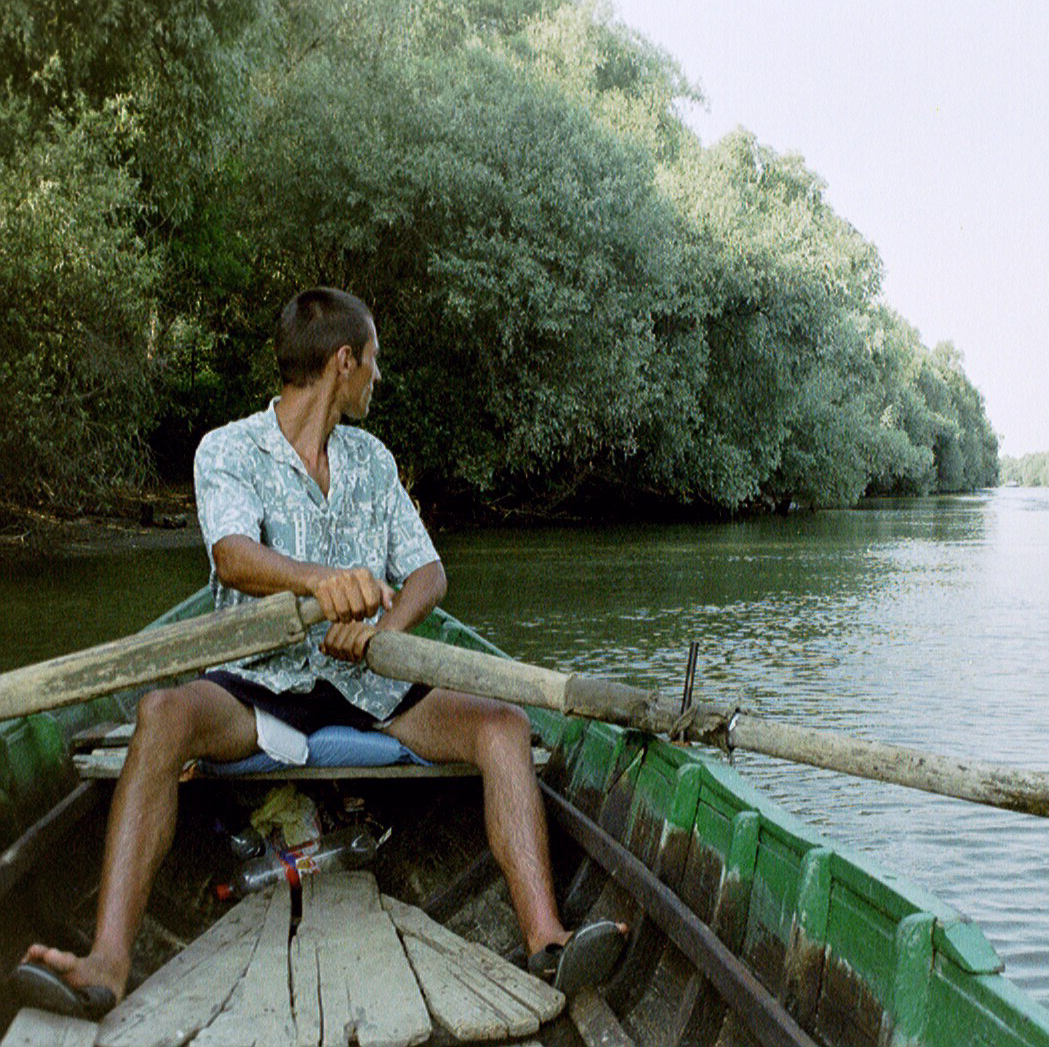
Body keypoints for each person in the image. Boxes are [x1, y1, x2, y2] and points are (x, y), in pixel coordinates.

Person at [12, 288, 622, 1019]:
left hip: (367, 682)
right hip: (256, 684)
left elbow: (429, 573)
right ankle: (107, 963)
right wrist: (320, 581)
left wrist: (385, 631)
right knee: (162, 713)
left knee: (505, 726)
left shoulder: (372, 459)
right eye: (374, 361)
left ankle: (546, 939)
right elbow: (234, 556)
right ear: (344, 361)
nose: (379, 377)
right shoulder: (228, 448)